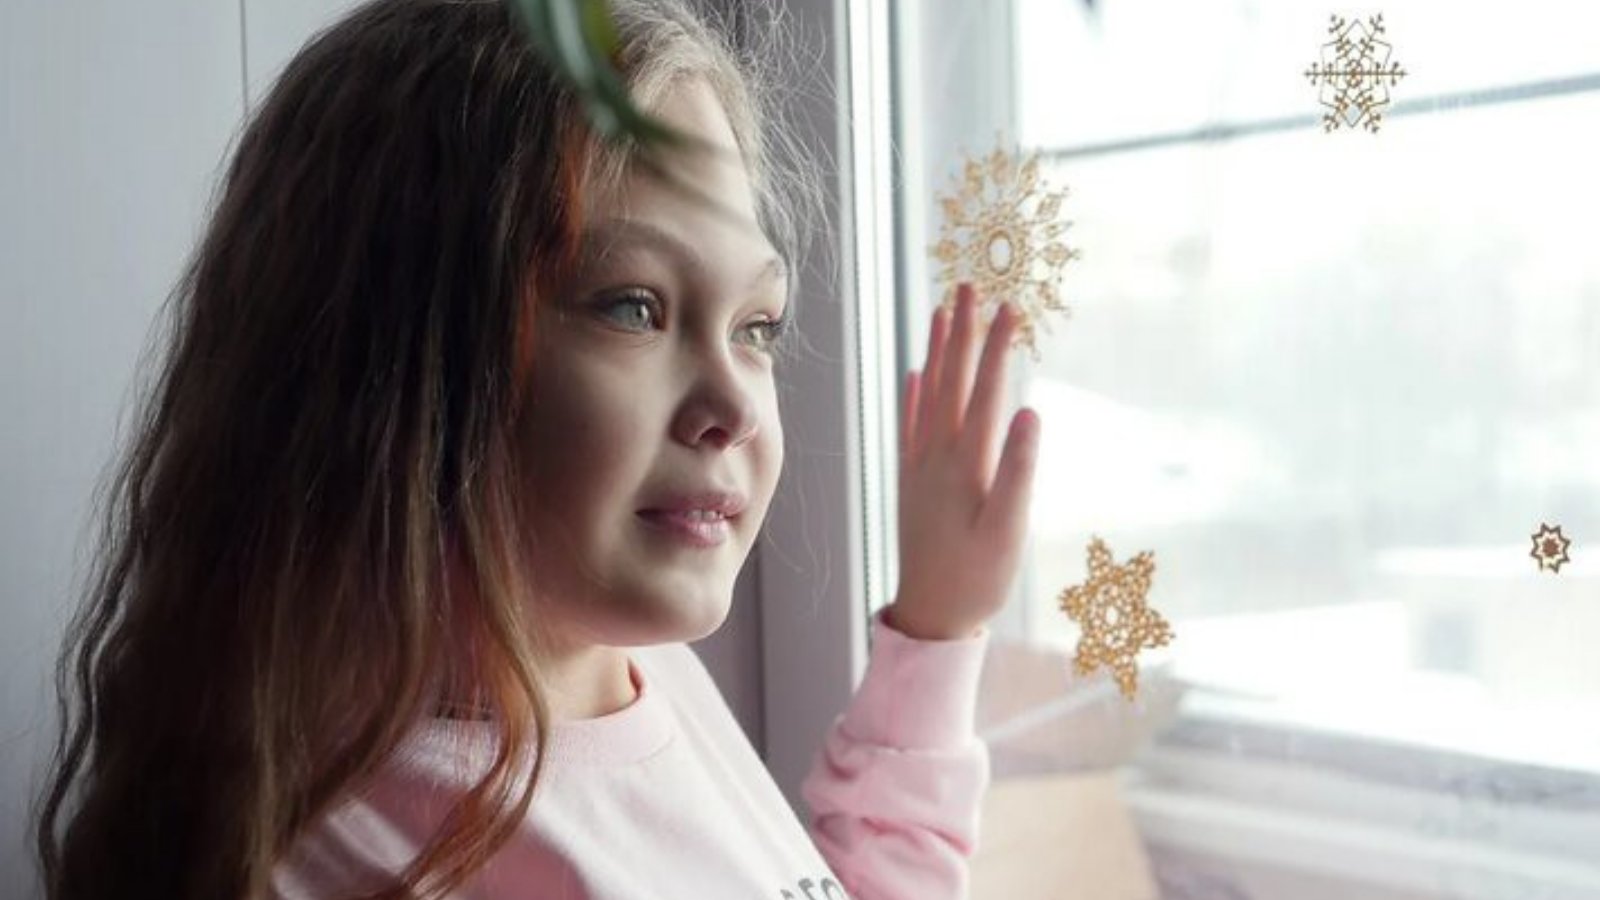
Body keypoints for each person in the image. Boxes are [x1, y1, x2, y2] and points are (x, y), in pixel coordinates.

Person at [32, 0, 1040, 897]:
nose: (734, 400)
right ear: (398, 364)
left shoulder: (627, 671)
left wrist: (936, 628)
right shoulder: (356, 858)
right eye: (634, 307)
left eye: (756, 325)